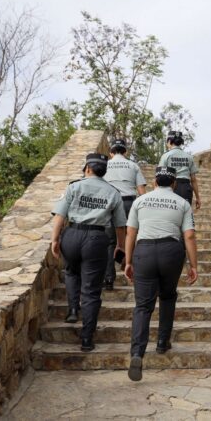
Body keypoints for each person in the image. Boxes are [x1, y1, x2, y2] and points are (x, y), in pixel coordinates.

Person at [125, 166, 199, 381]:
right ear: (174, 183)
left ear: (155, 182)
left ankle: (137, 353)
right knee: (167, 297)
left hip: (144, 251)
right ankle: (162, 342)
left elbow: (131, 232)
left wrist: (128, 261)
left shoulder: (140, 201)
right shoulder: (183, 203)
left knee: (142, 306)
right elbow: (189, 236)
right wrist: (193, 265)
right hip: (171, 251)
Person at [50, 153, 127, 352]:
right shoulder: (113, 192)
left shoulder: (74, 187)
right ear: (104, 171)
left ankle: (73, 309)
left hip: (72, 234)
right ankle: (86, 338)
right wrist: (120, 246)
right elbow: (120, 225)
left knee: (71, 272)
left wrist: (55, 239)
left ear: (88, 169)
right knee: (91, 290)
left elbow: (60, 216)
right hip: (97, 239)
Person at [103, 139, 147, 291]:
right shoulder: (133, 165)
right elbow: (141, 192)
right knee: (131, 237)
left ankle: (109, 278)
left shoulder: (105, 165)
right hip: (129, 203)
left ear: (111, 152)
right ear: (125, 152)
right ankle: (132, 273)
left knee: (110, 241)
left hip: (109, 203)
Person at [159, 131, 201, 209]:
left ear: (169, 141)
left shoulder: (166, 156)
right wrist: (198, 197)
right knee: (185, 212)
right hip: (186, 188)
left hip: (171, 187)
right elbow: (193, 180)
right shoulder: (189, 157)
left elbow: (160, 176)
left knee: (171, 213)